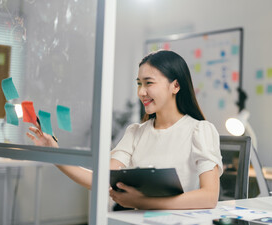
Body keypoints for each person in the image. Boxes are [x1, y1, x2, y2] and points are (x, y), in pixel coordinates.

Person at [27, 50, 223, 210]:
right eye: (139, 84)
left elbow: (209, 197)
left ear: (176, 85)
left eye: (149, 83)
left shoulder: (200, 130)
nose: (141, 92)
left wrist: (142, 202)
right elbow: (101, 180)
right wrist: (54, 152)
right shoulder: (136, 132)